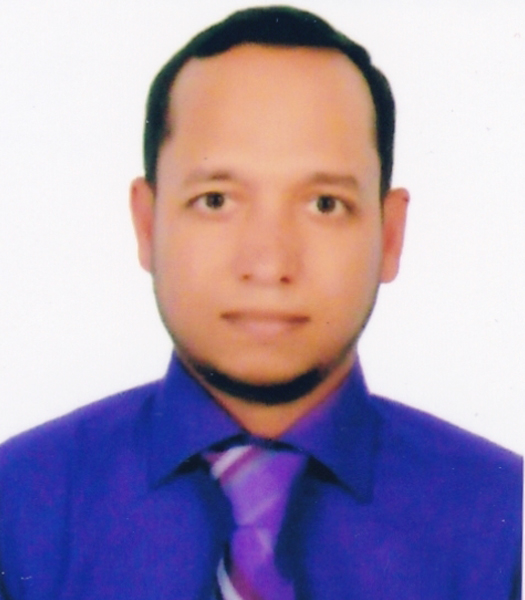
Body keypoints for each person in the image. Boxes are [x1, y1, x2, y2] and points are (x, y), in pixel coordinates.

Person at [0, 5, 521, 599]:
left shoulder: (505, 521)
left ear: (390, 235)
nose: (269, 264)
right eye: (216, 200)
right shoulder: (16, 507)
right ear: (147, 224)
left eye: (324, 204)